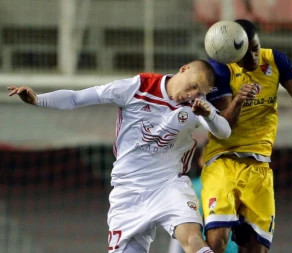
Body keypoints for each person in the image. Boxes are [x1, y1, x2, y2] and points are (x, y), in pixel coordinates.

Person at [8, 59, 232, 253]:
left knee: (192, 239)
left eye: (200, 92)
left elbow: (224, 131)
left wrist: (210, 113)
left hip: (168, 185)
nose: (193, 94)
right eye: (193, 86)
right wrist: (39, 100)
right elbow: (77, 98)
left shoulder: (197, 108)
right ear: (183, 69)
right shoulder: (138, 87)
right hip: (127, 192)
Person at [200, 19, 292, 253]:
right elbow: (224, 126)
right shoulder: (220, 68)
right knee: (217, 241)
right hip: (223, 161)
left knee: (256, 250)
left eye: (256, 49)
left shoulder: (276, 60)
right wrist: (238, 100)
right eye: (246, 54)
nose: (254, 58)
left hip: (260, 167)